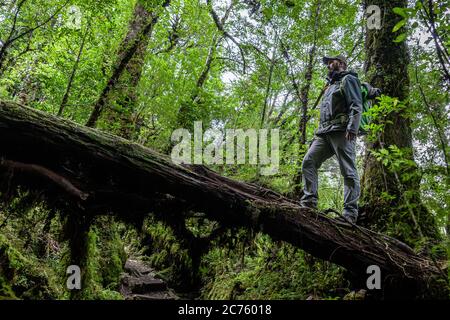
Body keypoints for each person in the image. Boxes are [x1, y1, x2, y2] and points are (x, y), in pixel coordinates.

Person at [300, 54, 362, 224]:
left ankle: (349, 214)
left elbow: (356, 104)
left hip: (342, 131)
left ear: (341, 63)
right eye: (327, 63)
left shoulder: (349, 79)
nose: (328, 65)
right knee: (308, 162)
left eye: (331, 62)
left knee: (348, 171)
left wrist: (352, 127)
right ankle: (309, 203)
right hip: (324, 133)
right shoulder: (330, 85)